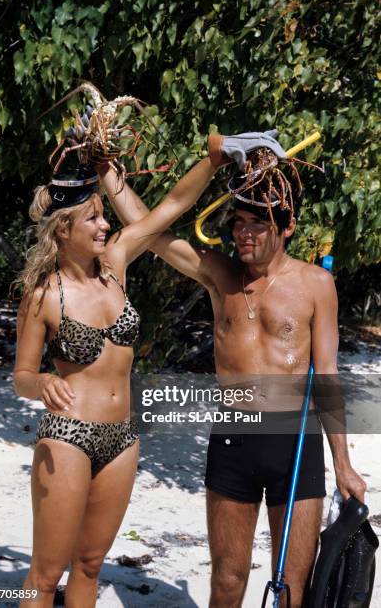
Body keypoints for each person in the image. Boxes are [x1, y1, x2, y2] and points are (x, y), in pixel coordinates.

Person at [99, 132, 366, 608]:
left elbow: (326, 376)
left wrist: (343, 464)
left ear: (286, 227)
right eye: (239, 222)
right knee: (226, 581)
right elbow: (148, 230)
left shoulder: (316, 284)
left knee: (292, 587)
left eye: (256, 224)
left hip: (295, 443)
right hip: (234, 435)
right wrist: (107, 175)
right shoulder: (219, 275)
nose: (243, 233)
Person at [13, 154, 222, 607]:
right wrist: (42, 382)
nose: (105, 225)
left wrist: (213, 159)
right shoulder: (44, 294)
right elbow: (21, 376)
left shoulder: (117, 264)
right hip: (68, 436)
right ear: (64, 230)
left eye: (105, 215)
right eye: (93, 218)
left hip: (122, 440)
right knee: (45, 575)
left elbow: (171, 206)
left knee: (89, 565)